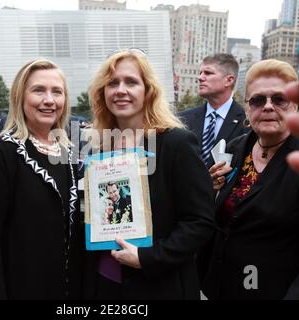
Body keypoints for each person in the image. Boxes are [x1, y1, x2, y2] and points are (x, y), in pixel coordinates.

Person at [84, 49, 215, 300]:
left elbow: (200, 223)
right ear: (103, 92)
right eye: (112, 83)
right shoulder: (98, 147)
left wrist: (146, 258)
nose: (120, 90)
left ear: (148, 91)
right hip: (104, 281)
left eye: (131, 82)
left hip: (158, 285)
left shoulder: (177, 143)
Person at [201, 59, 299, 299]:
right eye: (258, 100)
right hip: (221, 287)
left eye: (279, 99)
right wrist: (212, 190)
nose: (268, 107)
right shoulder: (237, 148)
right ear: (247, 108)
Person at [0, 59, 83, 299]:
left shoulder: (68, 153)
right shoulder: (2, 154)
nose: (49, 100)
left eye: (57, 92)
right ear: (20, 97)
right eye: (38, 90)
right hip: (19, 286)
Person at [179, 53, 250, 167]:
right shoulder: (182, 119)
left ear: (229, 80)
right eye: (200, 73)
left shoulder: (247, 123)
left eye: (208, 73)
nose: (200, 77)